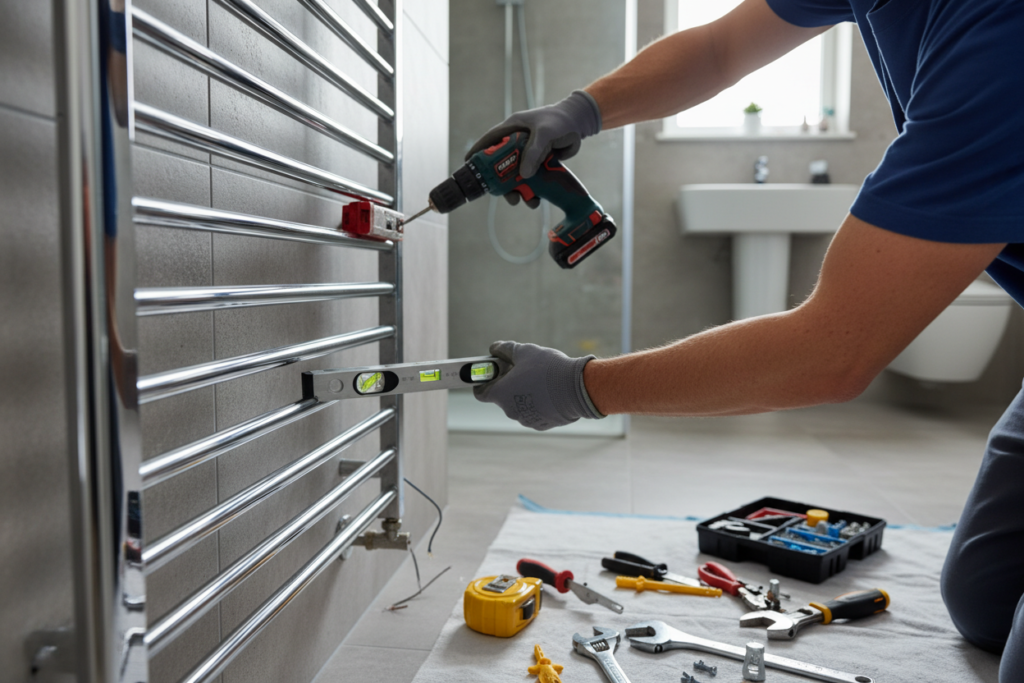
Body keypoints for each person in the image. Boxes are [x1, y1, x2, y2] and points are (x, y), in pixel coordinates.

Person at [466, 0, 1024, 677]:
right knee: (984, 605)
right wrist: (578, 111)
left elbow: (831, 354)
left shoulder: (1002, 44)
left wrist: (578, 388)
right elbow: (720, 49)